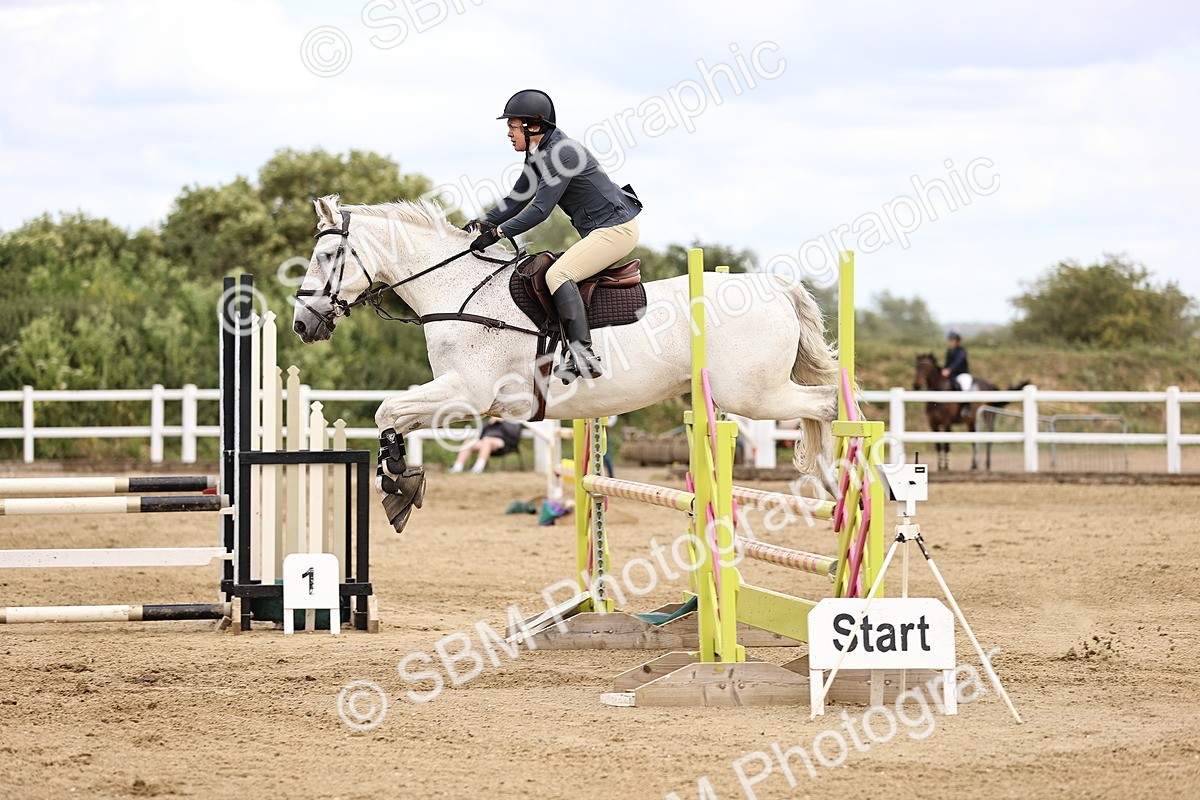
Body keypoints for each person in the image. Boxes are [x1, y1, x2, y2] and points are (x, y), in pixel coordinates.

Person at [463, 89, 643, 384]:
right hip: (602, 230)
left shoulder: (563, 154)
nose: (508, 133)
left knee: (558, 275)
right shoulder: (538, 155)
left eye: (512, 125)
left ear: (533, 125)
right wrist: (482, 223)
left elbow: (540, 210)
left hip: (616, 229)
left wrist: (498, 233)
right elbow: (517, 198)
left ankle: (583, 355)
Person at [451, 416, 523, 474]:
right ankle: (457, 467)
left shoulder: (512, 420)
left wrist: (502, 422)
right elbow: (481, 434)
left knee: (487, 441)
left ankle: (478, 468)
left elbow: (515, 434)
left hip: (502, 443)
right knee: (468, 442)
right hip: (485, 441)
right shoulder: (492, 419)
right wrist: (489, 422)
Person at [941, 331, 972, 419]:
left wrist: (949, 369)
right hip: (952, 375)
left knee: (965, 386)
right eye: (950, 340)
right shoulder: (949, 351)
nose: (950, 342)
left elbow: (958, 362)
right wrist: (944, 369)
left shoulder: (961, 351)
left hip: (962, 374)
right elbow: (947, 363)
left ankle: (966, 407)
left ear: (957, 341)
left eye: (952, 340)